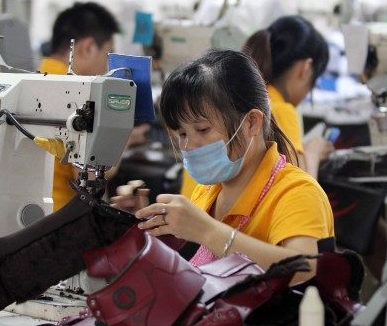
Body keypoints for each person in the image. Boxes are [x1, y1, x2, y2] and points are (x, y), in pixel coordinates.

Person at [113, 50, 334, 284]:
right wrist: (146, 227)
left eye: (203, 130)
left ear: (251, 123)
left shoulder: (296, 192)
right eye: (181, 134)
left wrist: (206, 231)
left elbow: (304, 268)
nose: (189, 145)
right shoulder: (209, 191)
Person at [38, 2, 148, 211]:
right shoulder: (79, 93)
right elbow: (92, 174)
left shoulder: (36, 78)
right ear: (87, 48)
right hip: (59, 220)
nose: (108, 67)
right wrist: (121, 135)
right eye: (108, 54)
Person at [243, 15, 333, 179]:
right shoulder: (280, 110)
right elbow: (303, 192)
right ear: (305, 69)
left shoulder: (239, 95)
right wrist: (313, 152)